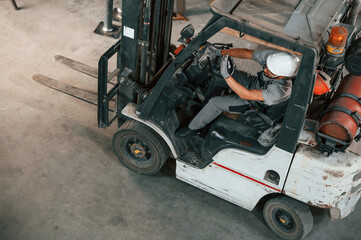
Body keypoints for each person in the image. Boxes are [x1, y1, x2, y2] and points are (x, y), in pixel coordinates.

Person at [175, 46, 300, 137]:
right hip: (253, 83)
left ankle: (194, 128)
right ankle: (204, 110)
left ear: (282, 76)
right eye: (267, 66)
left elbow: (246, 94)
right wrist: (221, 52)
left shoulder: (280, 91)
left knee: (215, 102)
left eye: (270, 72)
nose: (266, 70)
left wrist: (227, 76)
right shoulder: (274, 59)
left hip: (253, 102)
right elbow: (247, 53)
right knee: (218, 74)